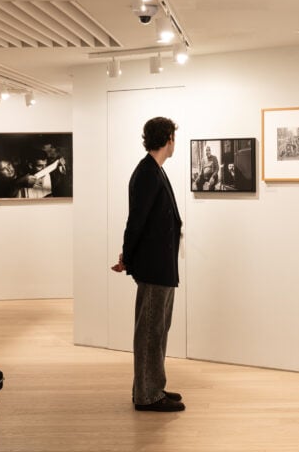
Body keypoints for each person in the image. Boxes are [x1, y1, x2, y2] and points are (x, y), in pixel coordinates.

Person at [111, 117, 185, 412]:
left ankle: (151, 386)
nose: (174, 142)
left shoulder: (153, 171)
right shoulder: (146, 173)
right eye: (174, 137)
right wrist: (127, 257)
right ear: (168, 138)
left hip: (162, 266)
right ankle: (148, 395)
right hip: (154, 267)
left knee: (158, 329)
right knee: (151, 332)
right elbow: (136, 221)